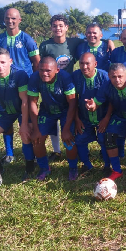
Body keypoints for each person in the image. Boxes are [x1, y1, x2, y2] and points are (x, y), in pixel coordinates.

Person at [86, 63, 126, 183]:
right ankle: (117, 170)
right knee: (109, 136)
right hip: (120, 114)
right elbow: (96, 102)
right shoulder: (106, 86)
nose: (117, 80)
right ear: (108, 76)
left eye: (120, 76)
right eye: (113, 77)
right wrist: (92, 106)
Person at [0, 8, 41, 165]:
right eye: (7, 18)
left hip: (24, 85)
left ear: (19, 20)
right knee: (7, 120)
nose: (10, 21)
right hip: (5, 86)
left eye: (13, 18)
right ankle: (10, 153)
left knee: (27, 121)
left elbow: (37, 62)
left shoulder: (27, 39)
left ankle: (32, 156)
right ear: (4, 20)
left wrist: (33, 82)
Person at [0, 48, 36, 177]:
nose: (0, 66)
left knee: (26, 135)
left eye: (3, 62)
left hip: (23, 109)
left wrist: (25, 124)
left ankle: (30, 167)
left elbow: (25, 101)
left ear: (10, 61)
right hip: (5, 110)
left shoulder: (20, 74)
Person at [39, 14, 84, 162]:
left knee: (70, 116)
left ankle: (77, 150)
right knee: (53, 119)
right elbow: (42, 65)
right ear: (51, 28)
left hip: (69, 85)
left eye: (60, 25)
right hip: (51, 87)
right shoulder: (46, 45)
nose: (57, 28)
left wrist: (108, 41)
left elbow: (92, 40)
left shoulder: (75, 42)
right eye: (54, 26)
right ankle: (56, 150)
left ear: (66, 28)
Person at [28, 57, 77, 181]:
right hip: (47, 110)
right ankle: (44, 168)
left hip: (65, 110)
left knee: (69, 140)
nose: (44, 73)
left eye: (48, 70)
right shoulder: (34, 78)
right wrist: (35, 128)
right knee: (37, 140)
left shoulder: (65, 78)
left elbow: (72, 103)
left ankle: (73, 168)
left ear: (57, 70)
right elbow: (33, 103)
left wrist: (66, 129)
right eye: (41, 70)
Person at [71, 53, 111, 181]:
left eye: (88, 63)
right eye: (81, 63)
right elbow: (73, 100)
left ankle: (107, 166)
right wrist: (77, 119)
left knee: (104, 139)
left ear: (95, 64)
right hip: (84, 117)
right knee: (80, 138)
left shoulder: (104, 76)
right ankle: (87, 165)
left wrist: (106, 118)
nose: (84, 66)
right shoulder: (75, 76)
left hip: (102, 116)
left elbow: (112, 100)